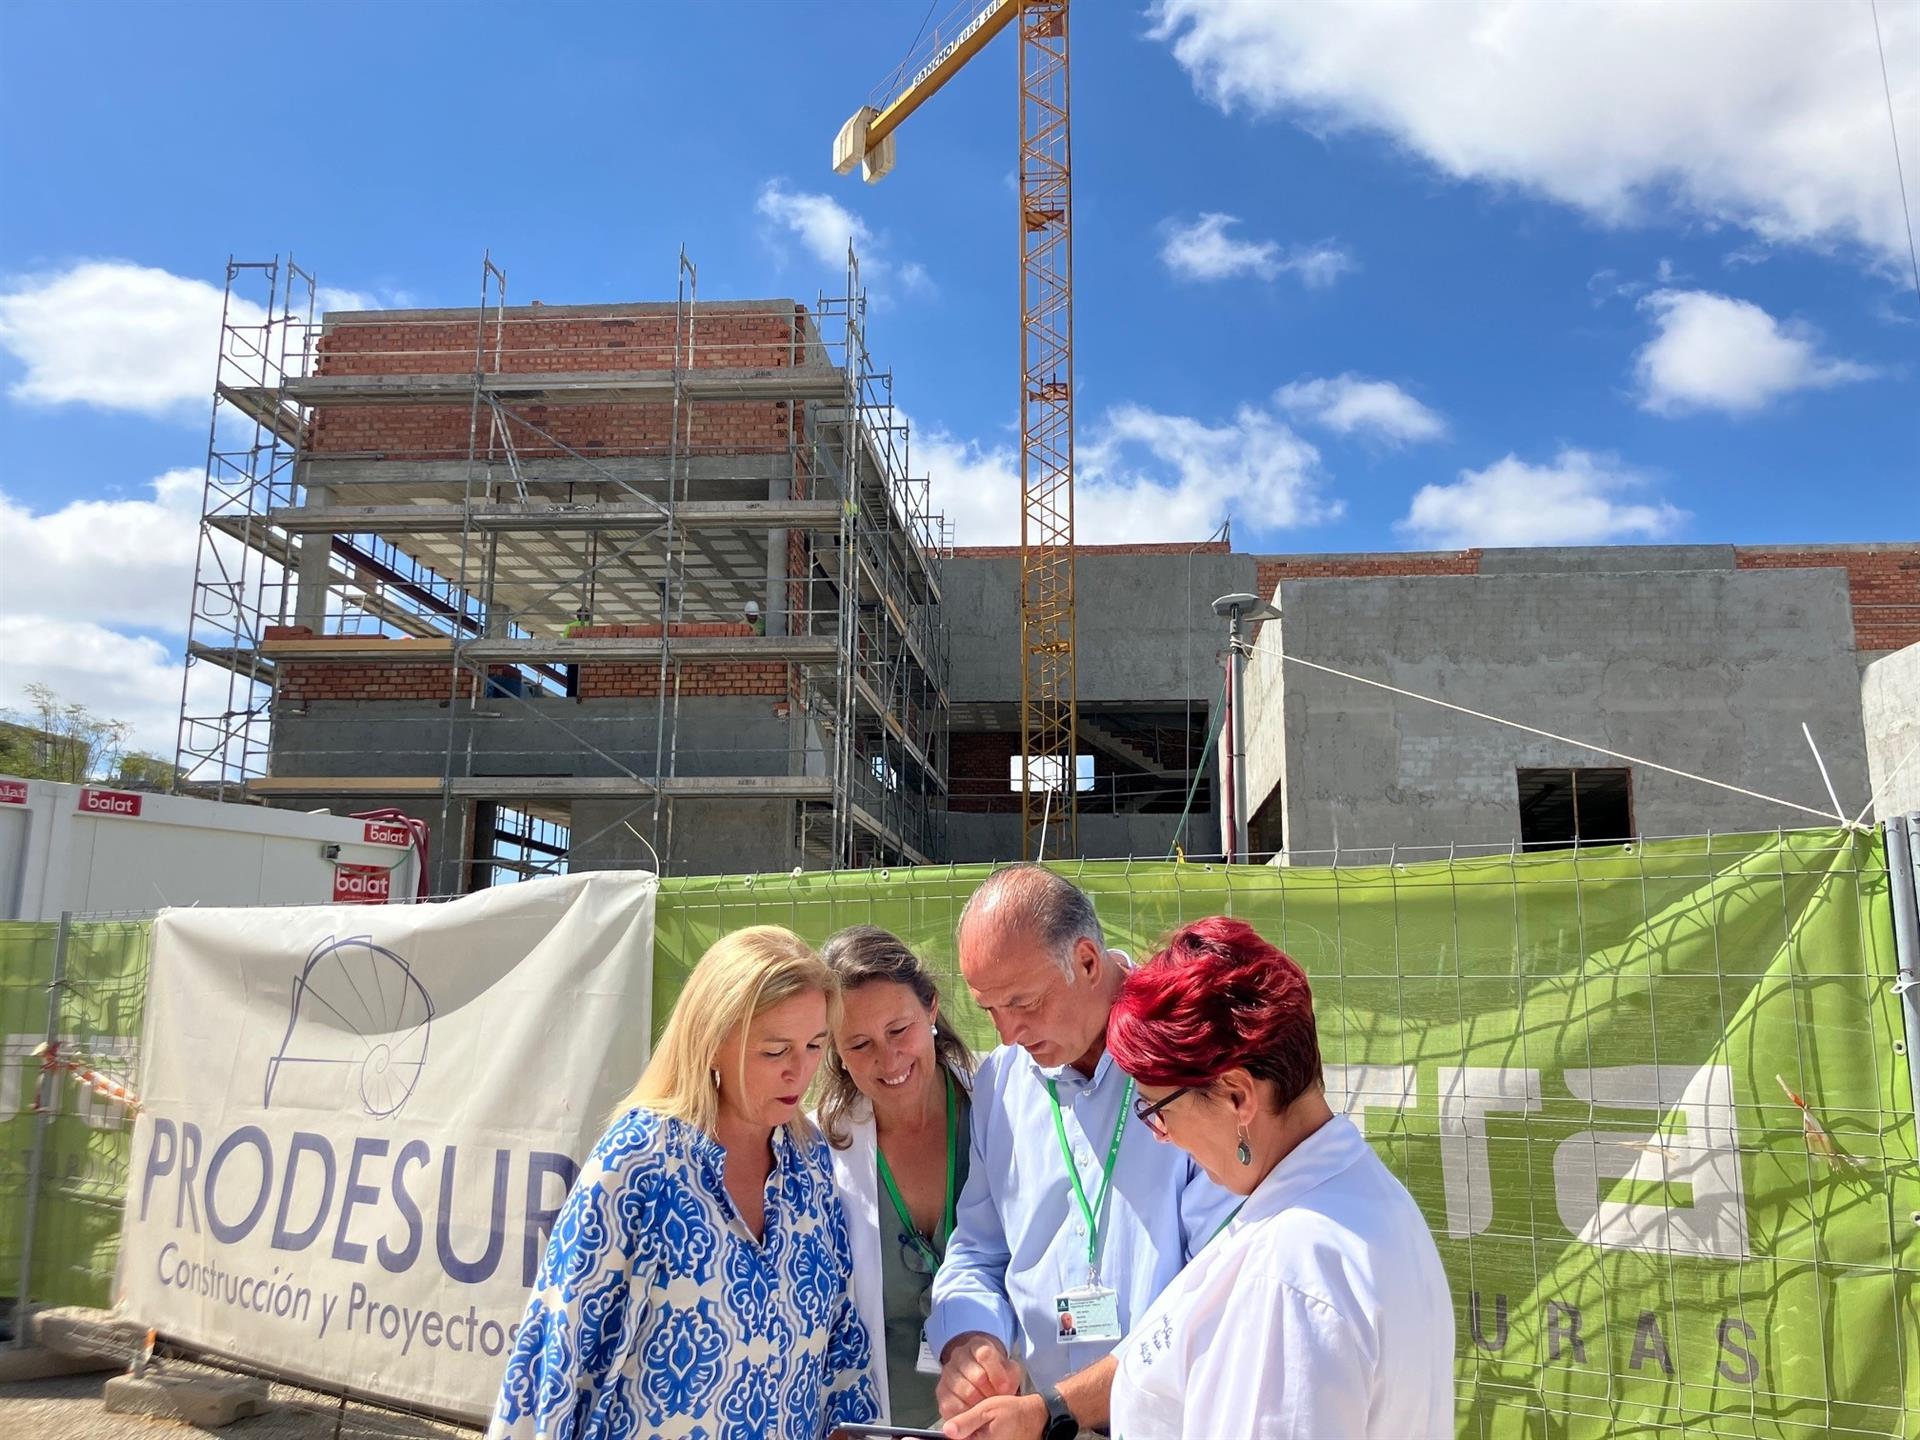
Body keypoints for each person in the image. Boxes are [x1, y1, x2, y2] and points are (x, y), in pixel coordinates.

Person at [487, 926, 878, 1440]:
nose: (799, 1072)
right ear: (711, 1042)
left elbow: (841, 1346)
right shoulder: (638, 1161)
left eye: (812, 1046)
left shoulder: (811, 1167)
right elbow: (557, 1360)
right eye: (774, 1050)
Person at [1102, 916, 1454, 1438]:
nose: (1159, 1134)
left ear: (1237, 1096)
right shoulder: (1364, 1196)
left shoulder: (1289, 1274)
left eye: (1158, 1110)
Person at [928, 866, 1235, 1440]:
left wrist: (1058, 1408)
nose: (1007, 1034)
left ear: (1089, 962)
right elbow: (979, 1248)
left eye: (1023, 1002)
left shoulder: (1191, 1061)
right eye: (988, 1008)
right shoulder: (1001, 1083)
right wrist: (972, 1342)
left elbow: (1215, 1291)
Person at [815, 926, 977, 1425]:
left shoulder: (998, 1107)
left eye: (898, 1030)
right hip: (883, 1423)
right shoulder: (821, 1151)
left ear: (930, 1007)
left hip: (1005, 1412)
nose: (889, 1061)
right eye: (859, 1044)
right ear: (835, 1050)